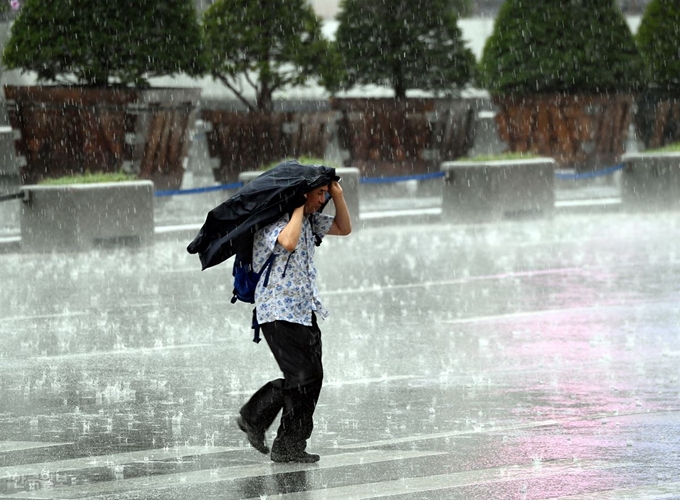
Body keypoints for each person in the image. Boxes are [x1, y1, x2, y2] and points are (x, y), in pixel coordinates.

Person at [236, 178, 352, 463]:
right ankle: (253, 416)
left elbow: (343, 227)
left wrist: (337, 196)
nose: (321, 200)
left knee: (312, 380)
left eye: (325, 194)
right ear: (301, 196)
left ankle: (289, 445)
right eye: (319, 194)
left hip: (303, 311)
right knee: (301, 378)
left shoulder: (311, 222)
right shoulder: (273, 221)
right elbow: (287, 242)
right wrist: (297, 206)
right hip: (276, 311)